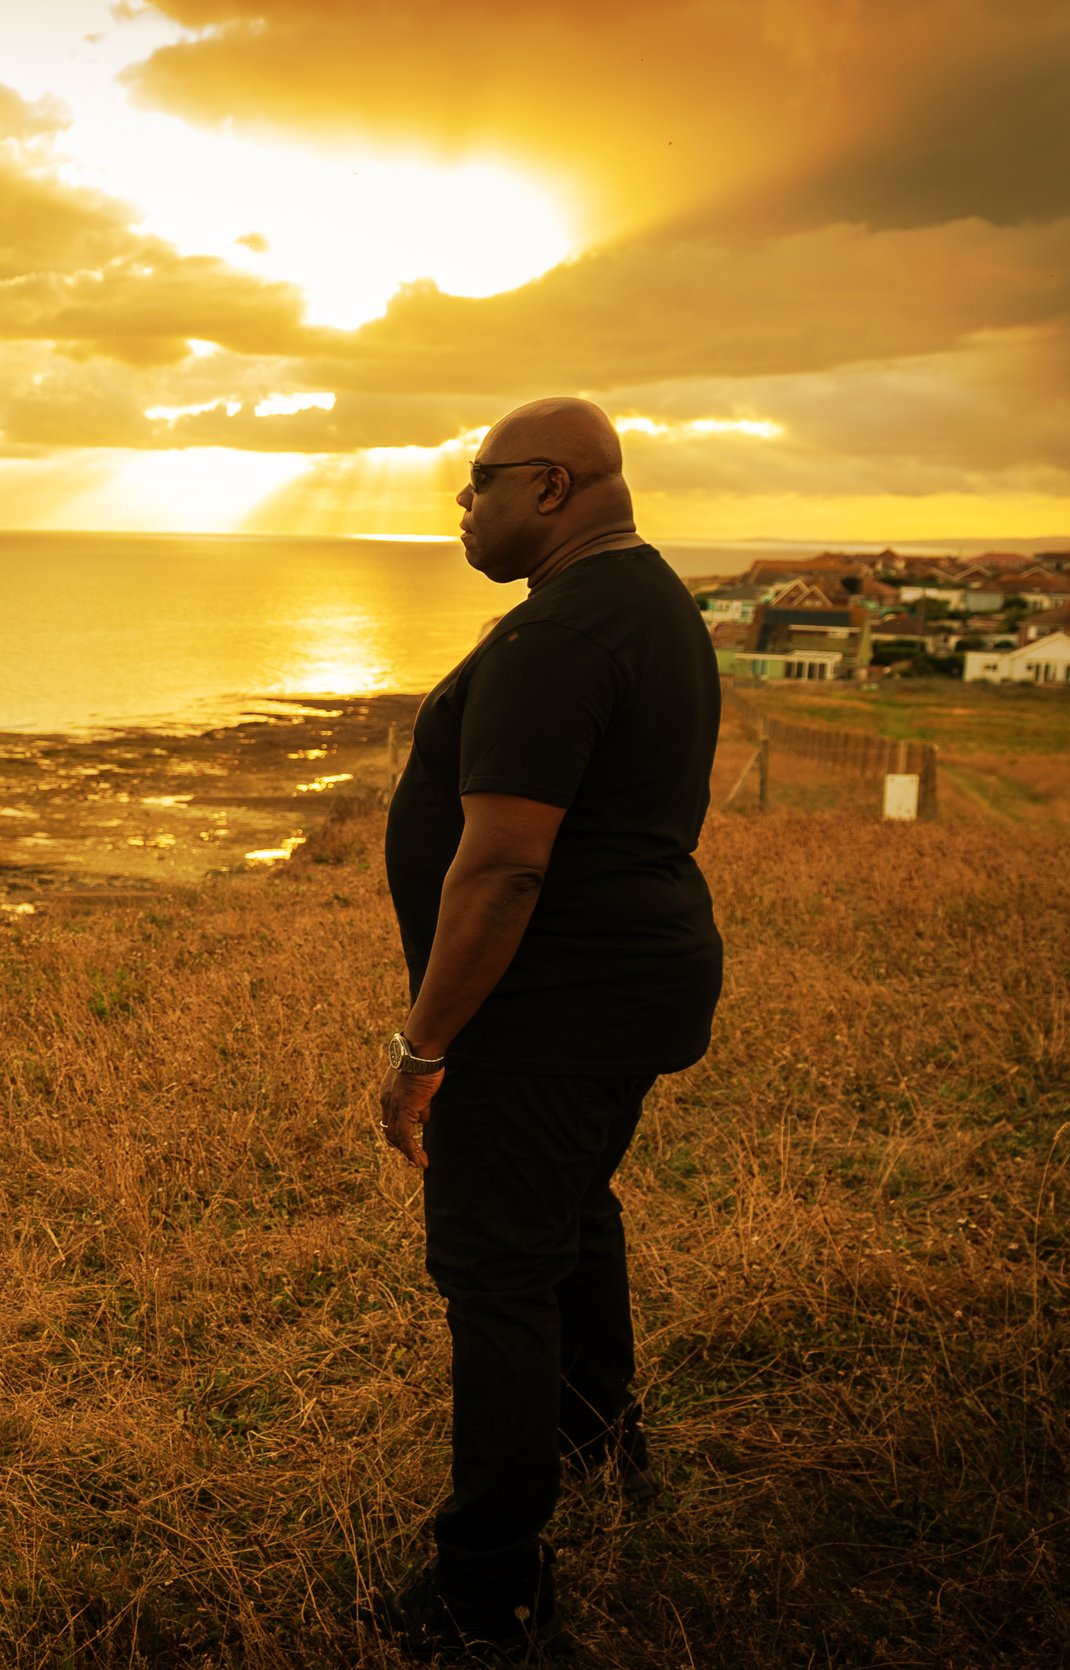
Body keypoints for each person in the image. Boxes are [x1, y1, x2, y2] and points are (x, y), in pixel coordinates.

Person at [372, 398, 723, 1659]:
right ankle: (594, 1436)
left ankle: (487, 1586)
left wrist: (421, 1049)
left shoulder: (562, 631)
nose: (459, 507)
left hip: (548, 1006)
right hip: (625, 989)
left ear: (553, 485)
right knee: (571, 1214)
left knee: (497, 1269)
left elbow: (504, 865)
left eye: (477, 485)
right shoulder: (649, 601)